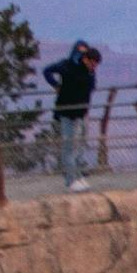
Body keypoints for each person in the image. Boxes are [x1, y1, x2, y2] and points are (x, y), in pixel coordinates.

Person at [42, 41, 100, 191]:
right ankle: (70, 180)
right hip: (68, 113)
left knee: (79, 147)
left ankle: (78, 176)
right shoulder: (67, 67)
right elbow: (47, 71)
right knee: (70, 147)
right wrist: (56, 85)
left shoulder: (88, 71)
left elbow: (90, 88)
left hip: (81, 112)